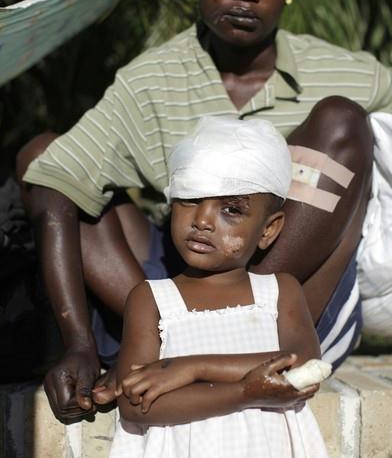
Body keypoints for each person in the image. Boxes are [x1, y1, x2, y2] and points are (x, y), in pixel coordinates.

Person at [17, 0, 392, 422]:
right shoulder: (152, 79)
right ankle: (160, 335)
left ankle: (211, 338)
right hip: (176, 285)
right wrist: (78, 343)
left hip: (292, 314)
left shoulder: (343, 72)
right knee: (48, 158)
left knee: (342, 118)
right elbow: (55, 179)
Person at [109, 115, 330, 458]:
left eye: (230, 209)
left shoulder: (279, 292)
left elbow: (303, 366)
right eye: (190, 199)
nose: (202, 220)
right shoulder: (151, 299)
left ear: (268, 229)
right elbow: (135, 404)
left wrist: (190, 368)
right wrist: (244, 392)